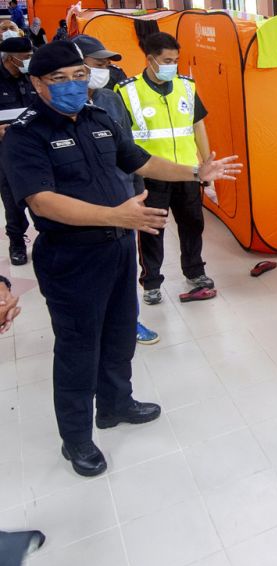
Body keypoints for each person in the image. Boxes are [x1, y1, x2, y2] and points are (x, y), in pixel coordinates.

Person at [1, 41, 240, 476]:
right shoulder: (25, 135)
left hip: (117, 248)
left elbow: (140, 161)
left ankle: (115, 403)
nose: (74, 85)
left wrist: (195, 172)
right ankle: (75, 440)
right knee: (77, 350)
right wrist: (116, 214)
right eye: (60, 79)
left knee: (118, 335)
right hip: (71, 259)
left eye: (79, 76)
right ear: (37, 83)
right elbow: (42, 201)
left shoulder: (100, 119)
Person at [115, 32, 216, 306]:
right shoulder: (126, 91)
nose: (174, 65)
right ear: (150, 60)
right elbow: (122, 139)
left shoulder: (186, 86)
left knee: (193, 224)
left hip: (187, 172)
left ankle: (195, 272)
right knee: (151, 230)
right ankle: (151, 282)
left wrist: (207, 166)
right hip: (151, 176)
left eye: (176, 60)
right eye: (168, 60)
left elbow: (198, 126)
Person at [74, 34, 159, 345]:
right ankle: (91, 328)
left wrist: (138, 190)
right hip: (84, 205)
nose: (104, 70)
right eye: (98, 64)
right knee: (91, 271)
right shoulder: (55, 109)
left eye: (106, 65)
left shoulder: (110, 99)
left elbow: (129, 149)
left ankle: (128, 322)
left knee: (123, 267)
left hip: (123, 197)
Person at [0, 36, 35, 265]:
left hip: (34, 146)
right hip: (5, 151)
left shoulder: (33, 78)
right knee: (12, 199)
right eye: (25, 58)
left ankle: (50, 237)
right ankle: (17, 242)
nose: (29, 62)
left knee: (41, 193)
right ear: (11, 59)